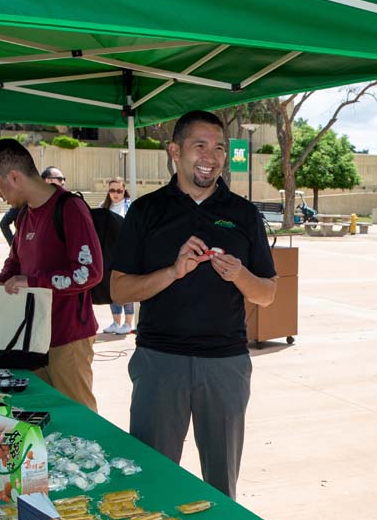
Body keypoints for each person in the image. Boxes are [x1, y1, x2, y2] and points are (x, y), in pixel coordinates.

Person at [110, 110, 276, 498]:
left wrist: (240, 275)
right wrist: (172, 271)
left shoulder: (244, 213)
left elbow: (266, 294)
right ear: (174, 151)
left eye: (219, 147)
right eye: (199, 145)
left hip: (225, 365)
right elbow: (118, 290)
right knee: (149, 481)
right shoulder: (146, 210)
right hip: (159, 362)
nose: (211, 155)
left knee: (221, 486)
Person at [0, 140, 103, 411]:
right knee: (39, 414)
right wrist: (1, 282)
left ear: (14, 177)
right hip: (31, 338)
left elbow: (90, 272)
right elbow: (15, 262)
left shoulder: (70, 208)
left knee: (79, 416)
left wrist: (33, 282)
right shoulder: (25, 214)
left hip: (68, 338)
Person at [99, 177, 135, 334]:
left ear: (124, 190)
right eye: (112, 190)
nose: (115, 194)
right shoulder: (103, 207)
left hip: (126, 253)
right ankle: (116, 321)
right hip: (108, 254)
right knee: (111, 287)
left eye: (119, 190)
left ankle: (128, 323)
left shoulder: (130, 207)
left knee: (126, 287)